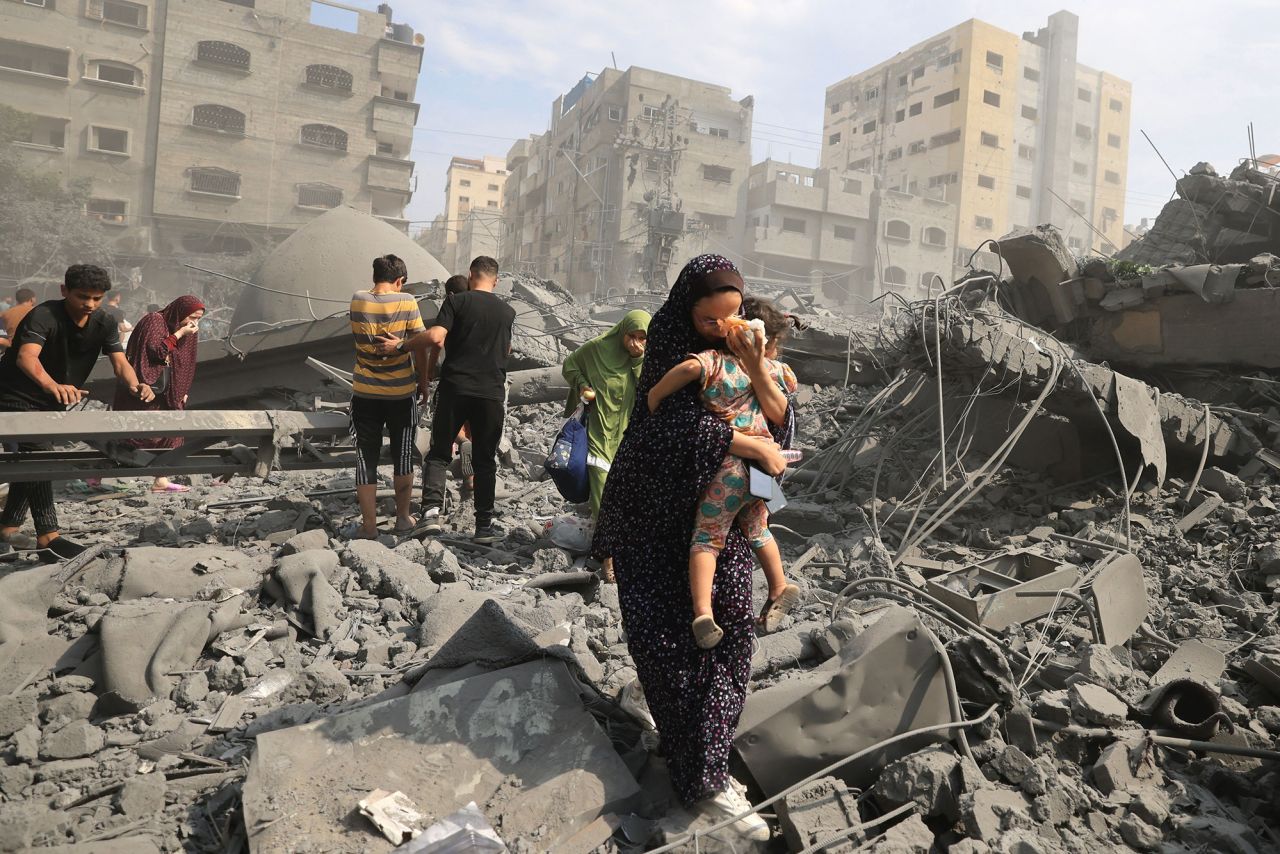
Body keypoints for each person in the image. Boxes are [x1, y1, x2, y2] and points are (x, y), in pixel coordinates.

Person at [593, 254, 790, 841]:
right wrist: (747, 444)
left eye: (733, 316)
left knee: (729, 636)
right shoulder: (671, 348)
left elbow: (782, 425)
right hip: (654, 525)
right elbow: (659, 424)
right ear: (687, 314)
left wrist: (757, 368)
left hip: (720, 519)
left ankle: (708, 765)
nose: (725, 328)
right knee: (666, 646)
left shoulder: (757, 357)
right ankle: (700, 777)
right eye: (711, 320)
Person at [646, 297, 800, 648]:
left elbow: (688, 370)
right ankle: (778, 584)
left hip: (729, 468)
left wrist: (655, 394)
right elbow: (786, 398)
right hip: (764, 468)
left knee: (707, 537)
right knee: (758, 527)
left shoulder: (715, 363)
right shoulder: (777, 371)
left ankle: (702, 612)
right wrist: (761, 360)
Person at [0, 265, 154, 561]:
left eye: (97, 298)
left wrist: (137, 385)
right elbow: (25, 356)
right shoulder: (45, 315)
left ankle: (7, 527)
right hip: (14, 395)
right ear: (64, 291)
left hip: (51, 399)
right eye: (83, 296)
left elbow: (119, 361)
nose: (90, 304)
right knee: (40, 453)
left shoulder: (105, 321)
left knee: (31, 458)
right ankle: (48, 536)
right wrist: (52, 384)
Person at [379, 256, 514, 544]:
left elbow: (437, 337)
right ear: (496, 280)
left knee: (440, 453)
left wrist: (401, 345)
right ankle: (484, 528)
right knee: (485, 460)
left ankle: (430, 515)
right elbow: (507, 349)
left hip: (456, 389)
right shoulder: (507, 312)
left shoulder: (457, 302)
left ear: (471, 274)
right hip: (491, 393)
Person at [561, 310, 650, 579]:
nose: (636, 342)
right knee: (603, 499)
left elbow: (648, 388)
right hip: (599, 436)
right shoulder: (597, 349)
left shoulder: (646, 359)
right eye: (631, 336)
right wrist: (583, 385)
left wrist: (637, 359)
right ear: (621, 332)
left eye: (642, 338)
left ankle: (628, 551)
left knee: (628, 498)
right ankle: (608, 559)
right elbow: (570, 366)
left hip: (627, 438)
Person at [347, 254, 426, 539]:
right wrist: (423, 382)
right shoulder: (407, 301)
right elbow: (420, 343)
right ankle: (403, 519)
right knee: (402, 455)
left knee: (364, 458)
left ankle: (368, 527)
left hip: (365, 393)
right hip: (400, 393)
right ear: (400, 280)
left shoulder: (358, 299)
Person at [111, 295, 205, 494]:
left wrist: (183, 389)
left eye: (198, 319)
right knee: (135, 434)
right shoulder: (155, 320)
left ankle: (161, 478)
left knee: (171, 432)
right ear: (180, 311)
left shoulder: (189, 330)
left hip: (168, 391)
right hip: (143, 387)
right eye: (191, 317)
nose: (194, 323)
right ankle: (96, 472)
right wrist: (179, 333)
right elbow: (155, 352)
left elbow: (187, 362)